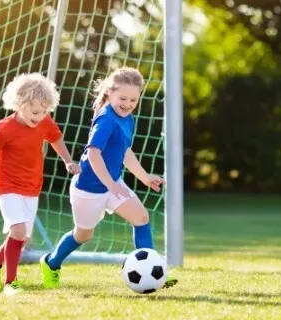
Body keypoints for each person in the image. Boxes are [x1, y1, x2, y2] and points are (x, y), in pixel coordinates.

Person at [39, 67, 177, 289]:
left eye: (133, 99)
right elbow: (93, 153)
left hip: (112, 184)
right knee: (83, 235)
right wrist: (110, 184)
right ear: (109, 94)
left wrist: (144, 177)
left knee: (141, 217)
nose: (127, 103)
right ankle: (51, 263)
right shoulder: (105, 119)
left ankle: (154, 273)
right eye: (122, 98)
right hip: (89, 189)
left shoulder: (128, 118)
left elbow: (125, 151)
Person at [0, 72, 81, 295]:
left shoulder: (44, 121)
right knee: (19, 231)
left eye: (45, 112)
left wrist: (68, 160)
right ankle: (10, 283)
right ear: (20, 103)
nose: (40, 116)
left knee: (21, 237)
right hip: (6, 184)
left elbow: (55, 137)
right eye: (35, 112)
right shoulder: (4, 129)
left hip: (32, 186)